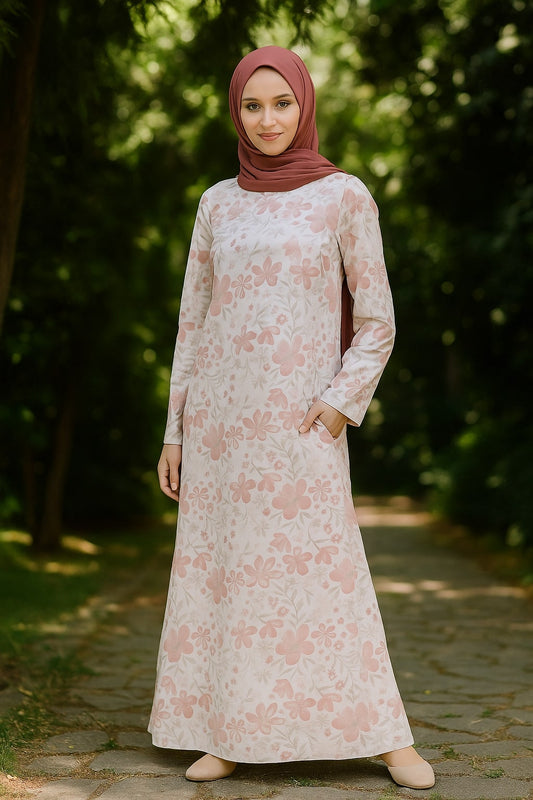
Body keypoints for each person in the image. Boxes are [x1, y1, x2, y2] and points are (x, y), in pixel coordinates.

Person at [149, 46, 435, 791]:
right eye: (252, 105)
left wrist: (339, 406)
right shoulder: (217, 202)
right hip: (220, 427)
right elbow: (194, 323)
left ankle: (385, 737)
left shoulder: (343, 195)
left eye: (281, 103)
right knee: (229, 578)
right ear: (236, 113)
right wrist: (175, 430)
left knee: (327, 574)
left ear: (303, 105)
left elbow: (377, 320)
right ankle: (227, 731)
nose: (268, 118)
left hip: (302, 427)